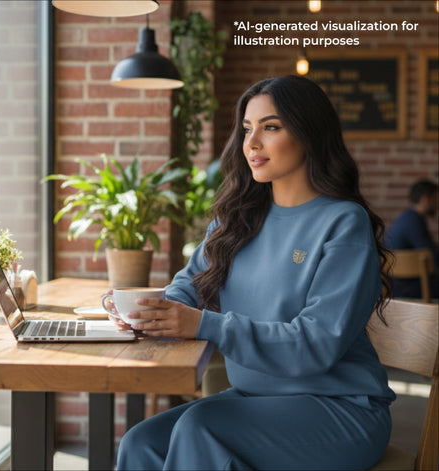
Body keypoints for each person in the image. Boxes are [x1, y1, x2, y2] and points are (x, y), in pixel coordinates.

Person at [109, 75, 395, 471]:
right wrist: (154, 310)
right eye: (247, 129)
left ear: (310, 133)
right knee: (142, 443)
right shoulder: (236, 219)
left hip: (339, 410)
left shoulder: (343, 223)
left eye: (270, 127)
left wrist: (206, 325)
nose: (252, 143)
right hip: (255, 401)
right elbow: (190, 285)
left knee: (201, 427)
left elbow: (316, 343)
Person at [385, 179, 439, 299]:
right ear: (425, 200)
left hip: (397, 284)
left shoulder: (406, 218)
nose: (437, 204)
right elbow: (431, 256)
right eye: (435, 199)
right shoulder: (414, 221)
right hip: (406, 287)